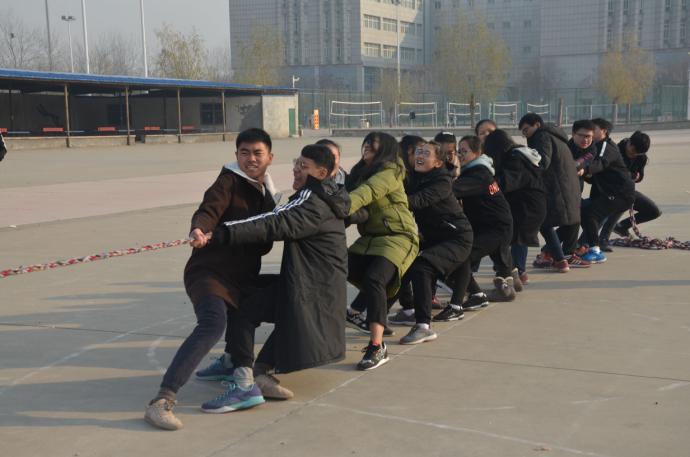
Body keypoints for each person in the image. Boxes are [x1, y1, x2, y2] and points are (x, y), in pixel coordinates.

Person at [194, 144, 350, 416]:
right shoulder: (327, 195)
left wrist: (219, 234)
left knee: (242, 304)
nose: (296, 169)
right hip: (317, 287)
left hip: (310, 290)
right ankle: (251, 369)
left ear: (321, 173)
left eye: (304, 166)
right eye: (296, 163)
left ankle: (244, 385)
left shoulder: (312, 200)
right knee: (247, 292)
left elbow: (274, 222)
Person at [144, 128, 277, 430]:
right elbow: (208, 210)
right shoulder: (227, 181)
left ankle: (239, 368)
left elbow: (265, 243)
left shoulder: (267, 194)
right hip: (209, 273)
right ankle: (162, 400)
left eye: (257, 153)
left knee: (269, 303)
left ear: (270, 157)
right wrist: (199, 229)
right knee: (213, 323)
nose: (251, 159)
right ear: (236, 155)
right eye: (244, 152)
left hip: (240, 278)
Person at [345, 132, 419, 370]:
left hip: (399, 236)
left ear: (385, 150)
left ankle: (377, 346)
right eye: (366, 142)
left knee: (375, 279)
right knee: (335, 266)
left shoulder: (391, 171)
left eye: (373, 144)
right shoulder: (359, 172)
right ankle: (346, 315)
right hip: (370, 239)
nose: (367, 146)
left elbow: (367, 192)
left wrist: (340, 207)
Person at [399, 141, 473, 340]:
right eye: (418, 151)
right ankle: (386, 313)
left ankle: (423, 325)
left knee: (421, 267)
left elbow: (417, 201)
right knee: (400, 263)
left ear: (438, 162)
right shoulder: (414, 177)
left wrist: (387, 199)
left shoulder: (442, 181)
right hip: (433, 236)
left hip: (457, 237)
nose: (419, 156)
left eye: (426, 153)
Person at [444, 135, 516, 311]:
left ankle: (476, 295)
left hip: (495, 229)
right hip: (492, 226)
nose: (460, 155)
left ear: (477, 153)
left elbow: (451, 190)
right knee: (499, 263)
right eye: (459, 151)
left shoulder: (478, 174)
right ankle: (505, 287)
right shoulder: (477, 170)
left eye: (464, 151)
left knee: (459, 258)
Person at [519, 113, 581, 273]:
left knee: (540, 222)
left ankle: (557, 260)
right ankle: (560, 259)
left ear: (537, 125)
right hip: (565, 187)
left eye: (526, 130)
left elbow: (542, 162)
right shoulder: (556, 136)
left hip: (554, 189)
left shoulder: (542, 136)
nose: (525, 134)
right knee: (546, 223)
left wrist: (522, 163)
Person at [483, 129, 546, 287]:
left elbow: (505, 183)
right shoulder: (518, 154)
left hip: (527, 206)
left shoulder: (515, 159)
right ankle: (513, 270)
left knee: (518, 237)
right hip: (531, 204)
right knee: (516, 237)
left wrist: (485, 188)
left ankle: (518, 273)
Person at [578, 118, 635, 262]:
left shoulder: (606, 146)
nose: (590, 132)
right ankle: (584, 245)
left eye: (594, 129)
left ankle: (595, 251)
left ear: (603, 131)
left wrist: (584, 170)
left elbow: (600, 164)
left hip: (620, 193)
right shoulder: (595, 146)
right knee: (586, 212)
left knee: (591, 214)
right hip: (609, 192)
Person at [599, 130, 660, 242]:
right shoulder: (615, 151)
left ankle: (622, 226)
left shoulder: (641, 157)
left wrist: (637, 177)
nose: (634, 154)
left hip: (628, 191)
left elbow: (640, 175)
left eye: (638, 153)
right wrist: (631, 176)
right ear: (630, 143)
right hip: (609, 192)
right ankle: (603, 239)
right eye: (633, 151)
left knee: (654, 211)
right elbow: (612, 174)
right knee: (620, 204)